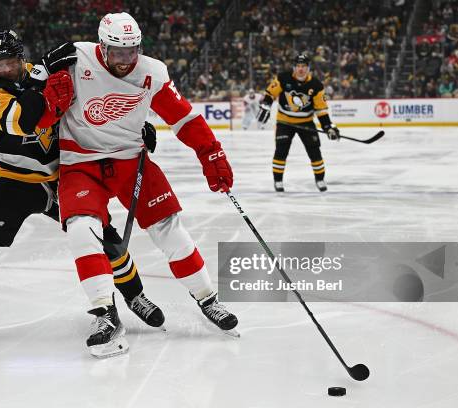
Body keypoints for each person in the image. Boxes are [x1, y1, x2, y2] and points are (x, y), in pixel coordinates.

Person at [0, 29, 164, 338]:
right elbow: (23, 120)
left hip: (63, 178)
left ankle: (136, 296)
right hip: (14, 181)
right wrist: (39, 80)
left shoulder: (49, 74)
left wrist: (136, 127)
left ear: (21, 58)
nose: (4, 70)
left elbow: (96, 107)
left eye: (9, 62)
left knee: (107, 242)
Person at [43, 12, 239, 357]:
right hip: (79, 162)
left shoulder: (152, 71)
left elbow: (184, 117)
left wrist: (211, 153)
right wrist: (46, 92)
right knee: (82, 228)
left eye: (131, 52)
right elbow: (32, 101)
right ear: (101, 46)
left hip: (132, 160)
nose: (125, 61)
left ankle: (207, 298)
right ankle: (103, 311)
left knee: (169, 228)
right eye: (117, 53)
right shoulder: (75, 58)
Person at [256, 53, 340, 192]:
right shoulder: (283, 78)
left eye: (304, 66)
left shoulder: (316, 85)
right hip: (285, 122)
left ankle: (320, 179)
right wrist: (266, 105)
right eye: (298, 66)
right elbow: (271, 93)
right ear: (294, 67)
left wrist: (328, 126)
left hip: (306, 122)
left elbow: (321, 110)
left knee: (314, 151)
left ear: (308, 68)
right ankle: (278, 181)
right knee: (281, 151)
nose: (301, 69)